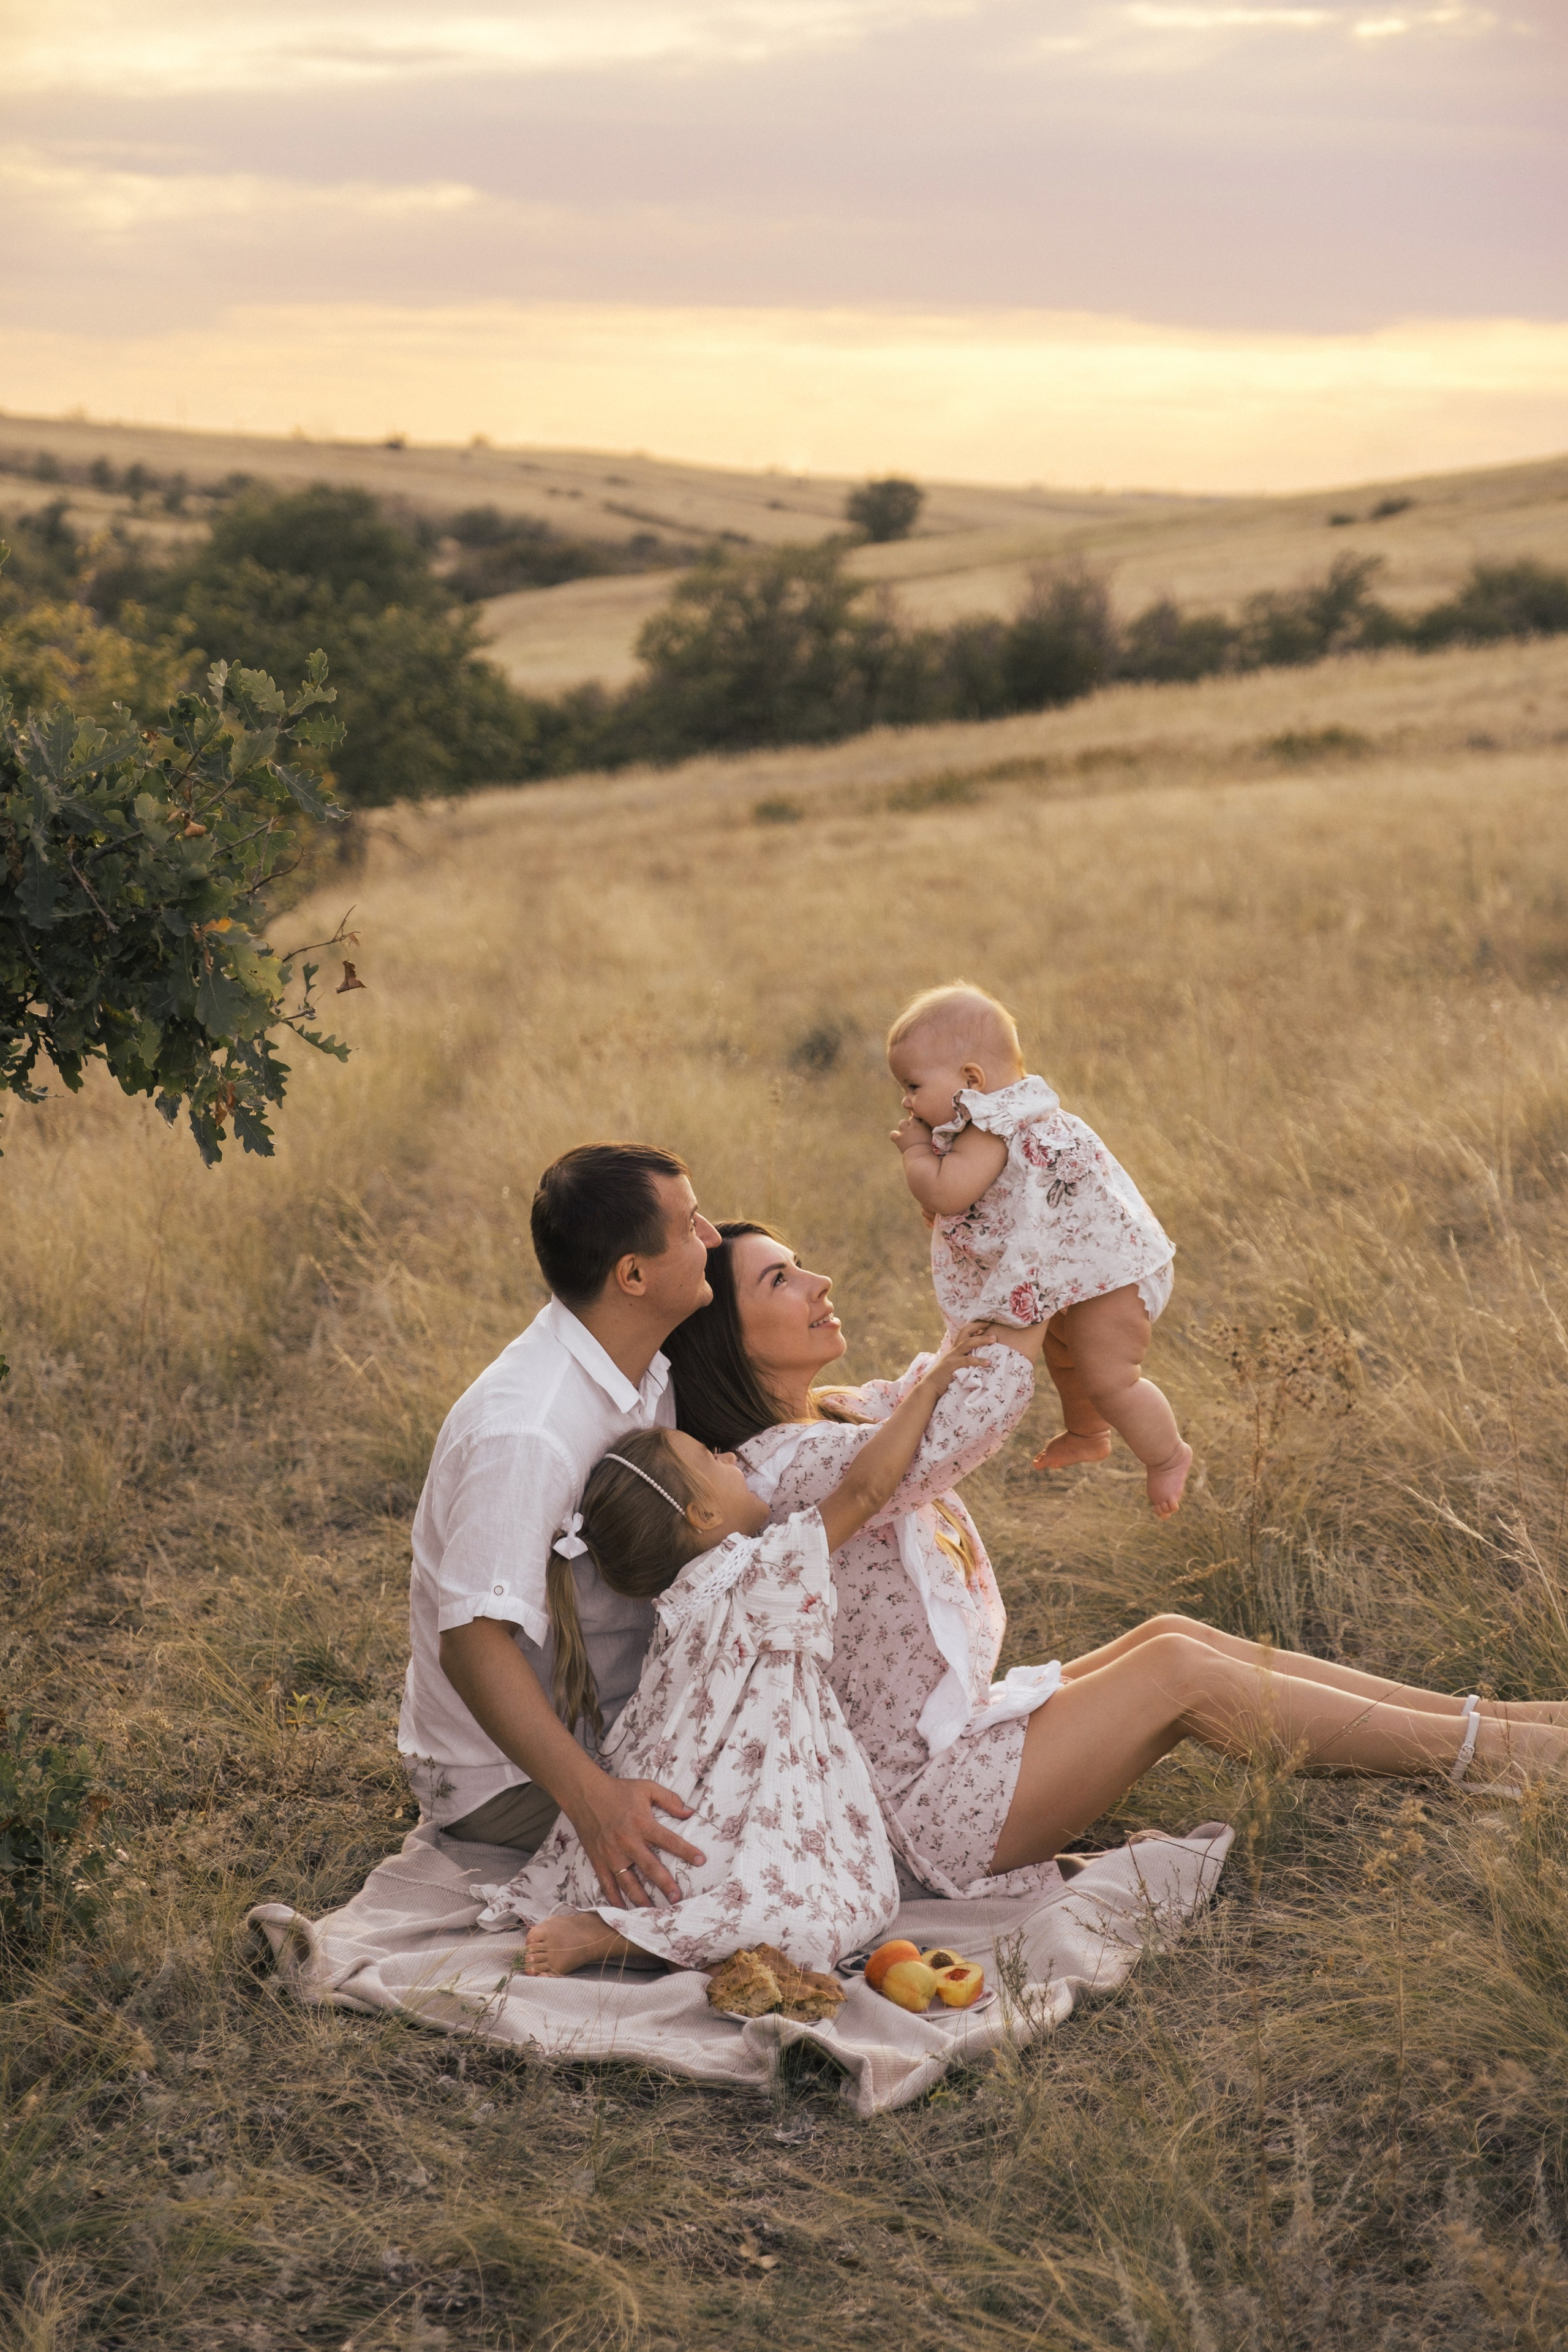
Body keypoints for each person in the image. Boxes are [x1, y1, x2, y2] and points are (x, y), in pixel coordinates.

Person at [666, 1223, 1567, 1894]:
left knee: (1168, 1632)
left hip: (957, 1740)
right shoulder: (776, 1469)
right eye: (780, 1279)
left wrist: (993, 1233)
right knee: (1177, 1674)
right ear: (725, 1338)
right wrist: (1039, 1256)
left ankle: (1511, 1723)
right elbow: (965, 1417)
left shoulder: (833, 1415)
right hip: (928, 1810)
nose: (818, 1280)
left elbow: (939, 1373)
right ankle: (1495, 1760)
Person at [472, 1328, 992, 1977]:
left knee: (815, 1904)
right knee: (829, 1914)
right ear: (700, 1517)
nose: (728, 1456)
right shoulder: (760, 1572)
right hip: (727, 1816)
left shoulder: (681, 1598)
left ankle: (625, 1920)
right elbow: (864, 1492)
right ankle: (620, 1938)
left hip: (679, 1815)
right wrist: (931, 1385)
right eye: (712, 1460)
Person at [396, 1142, 721, 1911]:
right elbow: (473, 1644)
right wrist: (596, 1805)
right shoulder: (529, 1432)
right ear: (632, 1276)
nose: (711, 1239)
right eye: (690, 1225)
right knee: (760, 1842)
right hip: (508, 1778)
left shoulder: (641, 1362)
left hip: (615, 1721)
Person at [886, 979, 1191, 1517]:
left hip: (1112, 1274)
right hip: (1086, 1267)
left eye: (911, 1086)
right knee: (1063, 1351)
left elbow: (947, 1189)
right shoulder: (1016, 1111)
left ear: (971, 1080)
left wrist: (915, 1155)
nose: (907, 1102)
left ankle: (1167, 1456)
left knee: (1110, 1376)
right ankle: (1088, 1431)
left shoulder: (988, 1122)